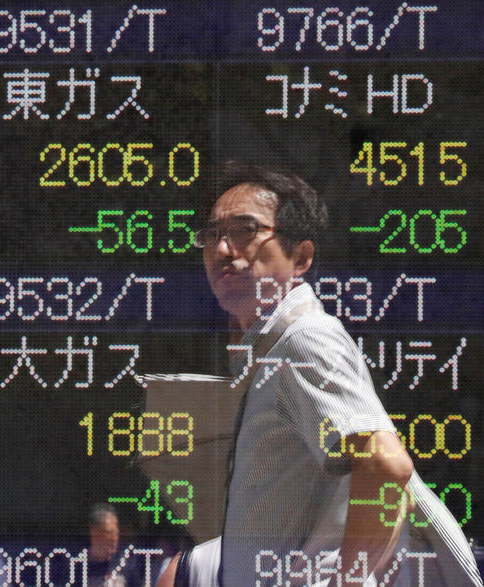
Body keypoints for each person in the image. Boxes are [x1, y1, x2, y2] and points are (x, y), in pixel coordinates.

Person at [158, 162, 482, 586]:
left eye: (245, 230)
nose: (222, 249)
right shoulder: (270, 353)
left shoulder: (303, 339)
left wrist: (348, 582)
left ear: (302, 257)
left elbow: (386, 465)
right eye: (212, 235)